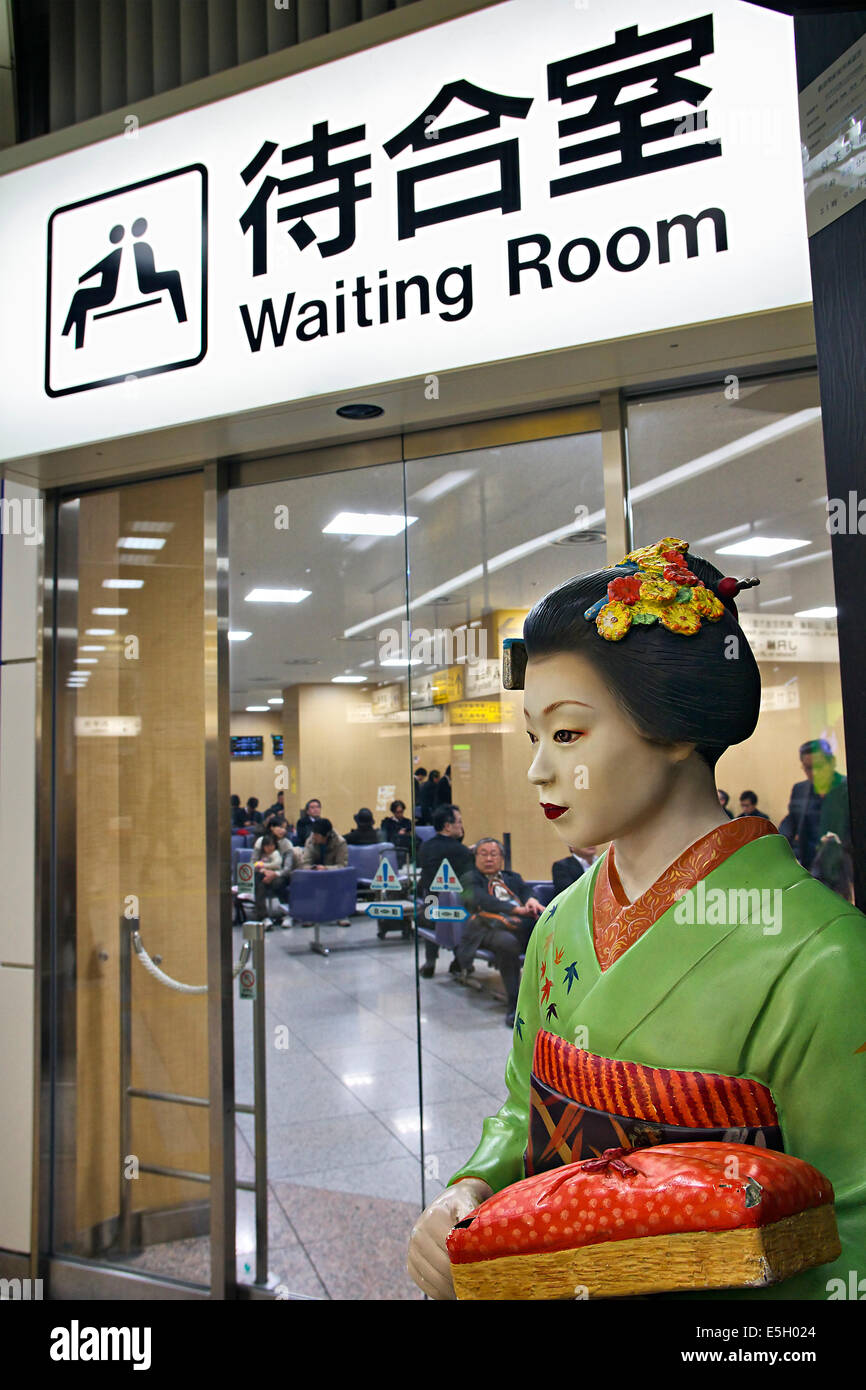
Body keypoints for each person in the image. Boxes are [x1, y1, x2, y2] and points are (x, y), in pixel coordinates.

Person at [408, 536, 866, 1301]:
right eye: (533, 738)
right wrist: (471, 1191)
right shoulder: (558, 924)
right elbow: (523, 1111)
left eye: (568, 734)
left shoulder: (824, 959)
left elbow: (849, 1242)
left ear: (678, 728)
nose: (538, 769)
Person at [455, 838, 545, 1025]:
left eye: (493, 854)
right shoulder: (469, 878)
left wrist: (532, 901)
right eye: (484, 854)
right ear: (475, 857)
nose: (489, 858)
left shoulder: (512, 877)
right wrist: (516, 910)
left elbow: (527, 891)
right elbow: (480, 901)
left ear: (501, 858)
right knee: (507, 943)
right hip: (486, 927)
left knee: (547, 932)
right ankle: (515, 1005)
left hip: (519, 924)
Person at [779, 739, 851, 889]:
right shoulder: (800, 789)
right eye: (809, 768)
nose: (815, 773)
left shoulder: (848, 789)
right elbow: (792, 821)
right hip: (809, 872)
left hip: (841, 874)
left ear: (832, 762)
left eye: (819, 766)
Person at [417, 804, 474, 978]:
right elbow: (469, 885)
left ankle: (430, 961)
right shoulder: (461, 852)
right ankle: (461, 961)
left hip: (428, 913)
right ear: (448, 826)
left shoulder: (425, 847)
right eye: (459, 822)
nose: (461, 826)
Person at [301, 818, 351, 926]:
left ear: (326, 835)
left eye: (317, 834)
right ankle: (309, 914)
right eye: (313, 833)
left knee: (341, 880)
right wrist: (312, 869)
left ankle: (341, 914)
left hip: (333, 874)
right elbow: (305, 863)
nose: (314, 836)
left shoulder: (340, 843)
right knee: (303, 879)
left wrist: (326, 869)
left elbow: (342, 866)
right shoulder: (310, 841)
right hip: (315, 874)